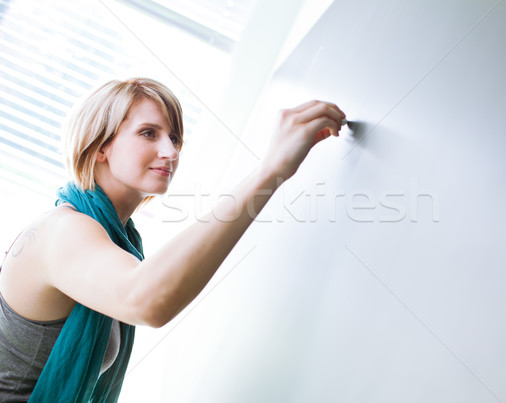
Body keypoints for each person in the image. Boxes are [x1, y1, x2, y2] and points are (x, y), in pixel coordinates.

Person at [0, 78, 345, 402]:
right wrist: (270, 171)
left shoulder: (117, 240)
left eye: (175, 138)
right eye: (149, 133)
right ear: (101, 146)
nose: (171, 151)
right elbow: (147, 300)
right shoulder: (62, 230)